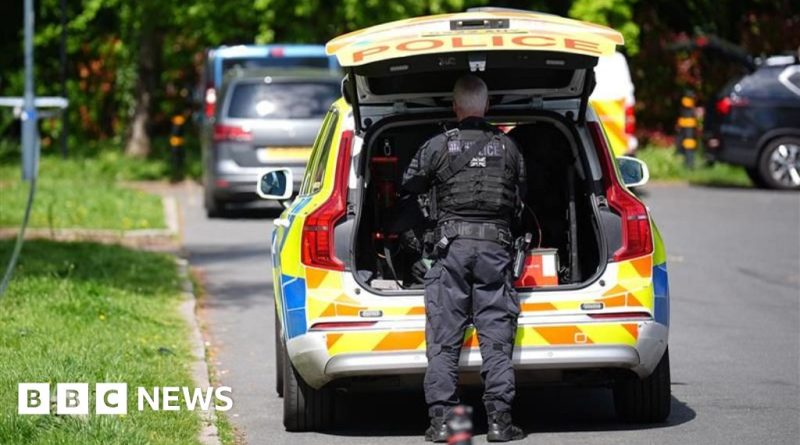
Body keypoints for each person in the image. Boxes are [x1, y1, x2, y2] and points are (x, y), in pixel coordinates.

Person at [402, 75, 527, 443]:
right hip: (496, 250)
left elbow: (409, 186)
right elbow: (520, 201)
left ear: (455, 107)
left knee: (444, 338)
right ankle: (500, 424)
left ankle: (445, 424)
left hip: (450, 250)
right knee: (496, 336)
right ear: (487, 107)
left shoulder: (437, 146)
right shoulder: (509, 148)